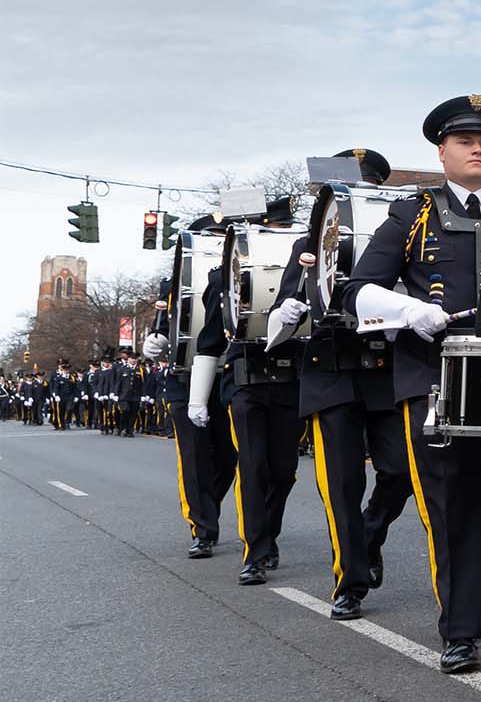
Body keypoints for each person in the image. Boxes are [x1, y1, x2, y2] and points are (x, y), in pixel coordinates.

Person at [345, 96, 481, 673]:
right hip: (434, 376)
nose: (478, 148)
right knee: (452, 504)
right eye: (465, 141)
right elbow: (358, 289)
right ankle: (460, 629)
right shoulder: (412, 213)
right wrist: (410, 311)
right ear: (443, 151)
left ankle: (462, 582)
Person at [276, 148, 418, 620]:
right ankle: (350, 580)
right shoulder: (310, 243)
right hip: (330, 369)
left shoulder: (402, 233)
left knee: (400, 471)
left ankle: (370, 533)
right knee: (341, 485)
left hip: (382, 367)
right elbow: (277, 314)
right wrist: (288, 315)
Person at [194, 207, 307, 586]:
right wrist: (198, 397)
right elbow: (211, 338)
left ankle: (268, 533)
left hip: (290, 380)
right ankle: (255, 551)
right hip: (246, 380)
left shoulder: (305, 265)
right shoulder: (223, 274)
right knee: (254, 466)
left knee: (284, 471)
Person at [145, 267, 236, 558]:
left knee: (227, 457)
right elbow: (164, 325)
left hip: (223, 377)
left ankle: (208, 507)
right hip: (183, 381)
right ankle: (202, 529)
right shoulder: (173, 284)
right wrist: (155, 339)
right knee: (195, 458)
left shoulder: (230, 275)